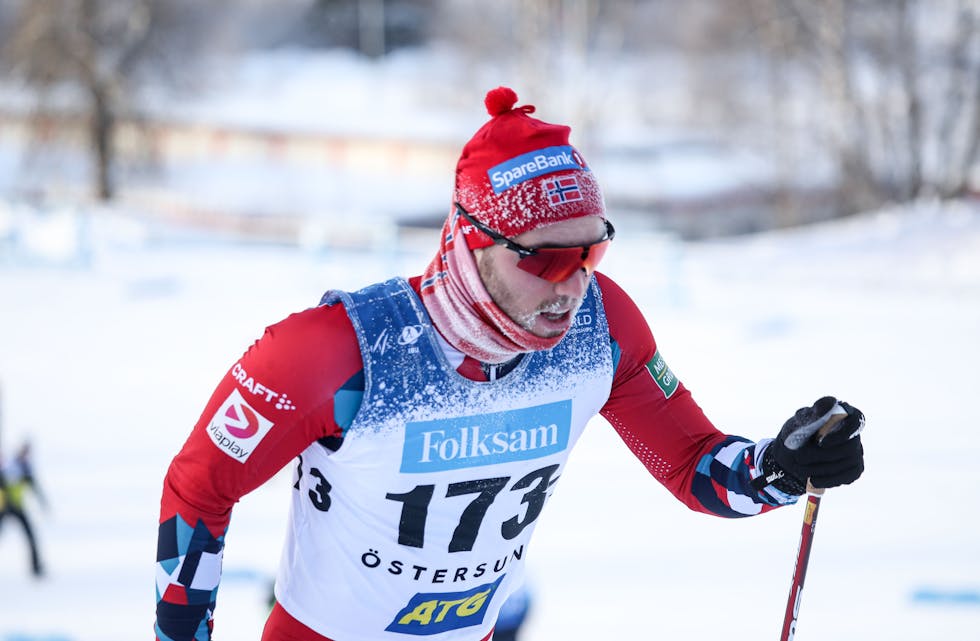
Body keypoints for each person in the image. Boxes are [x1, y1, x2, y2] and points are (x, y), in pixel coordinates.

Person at [154, 86, 865, 641]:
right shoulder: (334, 350)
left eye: (592, 252)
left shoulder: (600, 329)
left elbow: (694, 465)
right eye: (548, 257)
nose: (572, 283)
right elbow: (198, 489)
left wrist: (781, 467)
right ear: (470, 240)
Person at [0, 440, 47, 578]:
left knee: (31, 537)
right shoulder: (10, 465)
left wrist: (43, 503)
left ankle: (36, 567)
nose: (26, 455)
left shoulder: (26, 468)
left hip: (18, 507)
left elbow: (34, 487)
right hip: (4, 507)